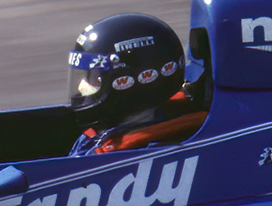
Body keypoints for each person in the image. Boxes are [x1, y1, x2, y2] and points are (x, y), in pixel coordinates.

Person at [66, 13, 206, 156]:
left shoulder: (140, 151)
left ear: (128, 82)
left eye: (94, 79)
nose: (81, 87)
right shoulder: (101, 135)